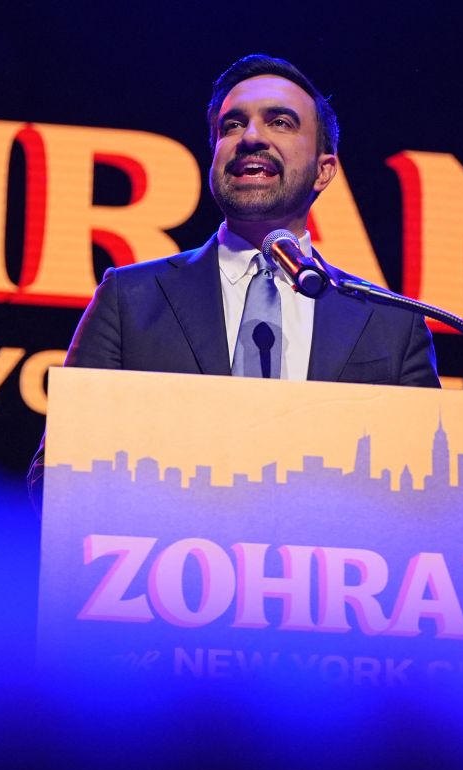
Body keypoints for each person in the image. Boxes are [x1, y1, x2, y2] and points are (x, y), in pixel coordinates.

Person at [29, 54, 439, 495]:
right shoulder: (129, 300)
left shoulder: (391, 323)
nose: (251, 138)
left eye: (280, 122)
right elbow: (56, 477)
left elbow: (432, 490)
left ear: (324, 171)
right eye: (232, 125)